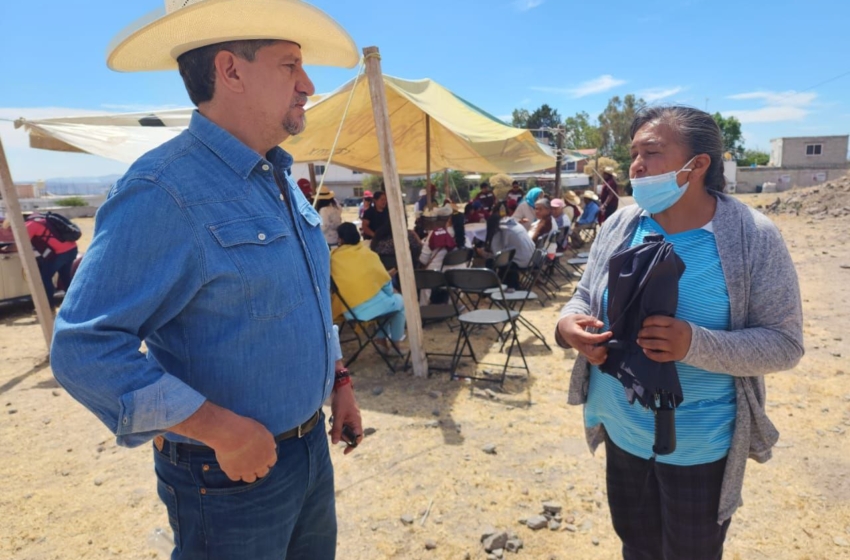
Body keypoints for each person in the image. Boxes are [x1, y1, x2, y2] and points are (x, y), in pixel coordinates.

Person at [50, 5, 364, 559]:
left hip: (309, 446)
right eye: (290, 64)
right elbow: (85, 347)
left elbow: (305, 297)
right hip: (225, 473)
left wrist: (338, 380)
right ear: (231, 70)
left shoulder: (278, 179)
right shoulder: (164, 190)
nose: (308, 83)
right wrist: (219, 430)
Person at [555, 105, 803, 560]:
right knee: (635, 544)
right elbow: (584, 295)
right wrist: (568, 324)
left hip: (699, 446)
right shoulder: (619, 225)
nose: (636, 165)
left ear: (699, 164)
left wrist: (693, 343)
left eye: (651, 151)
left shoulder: (753, 237)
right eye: (633, 152)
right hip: (622, 430)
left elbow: (785, 344)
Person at [332, 223, 406, 349]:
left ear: (340, 239)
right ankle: (395, 343)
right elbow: (385, 284)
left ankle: (382, 340)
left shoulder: (333, 258)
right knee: (399, 303)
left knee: (387, 304)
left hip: (350, 311)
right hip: (373, 308)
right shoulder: (368, 255)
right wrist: (392, 291)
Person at [25, 213, 79, 310]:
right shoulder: (44, 218)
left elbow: (20, 243)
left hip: (59, 254)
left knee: (45, 278)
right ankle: (74, 303)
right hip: (71, 249)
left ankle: (49, 306)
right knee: (66, 277)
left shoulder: (30, 225)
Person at [476, 212, 535, 289]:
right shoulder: (515, 224)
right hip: (533, 258)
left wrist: (482, 253)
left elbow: (497, 255)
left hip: (521, 262)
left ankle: (489, 287)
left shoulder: (501, 230)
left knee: (490, 262)